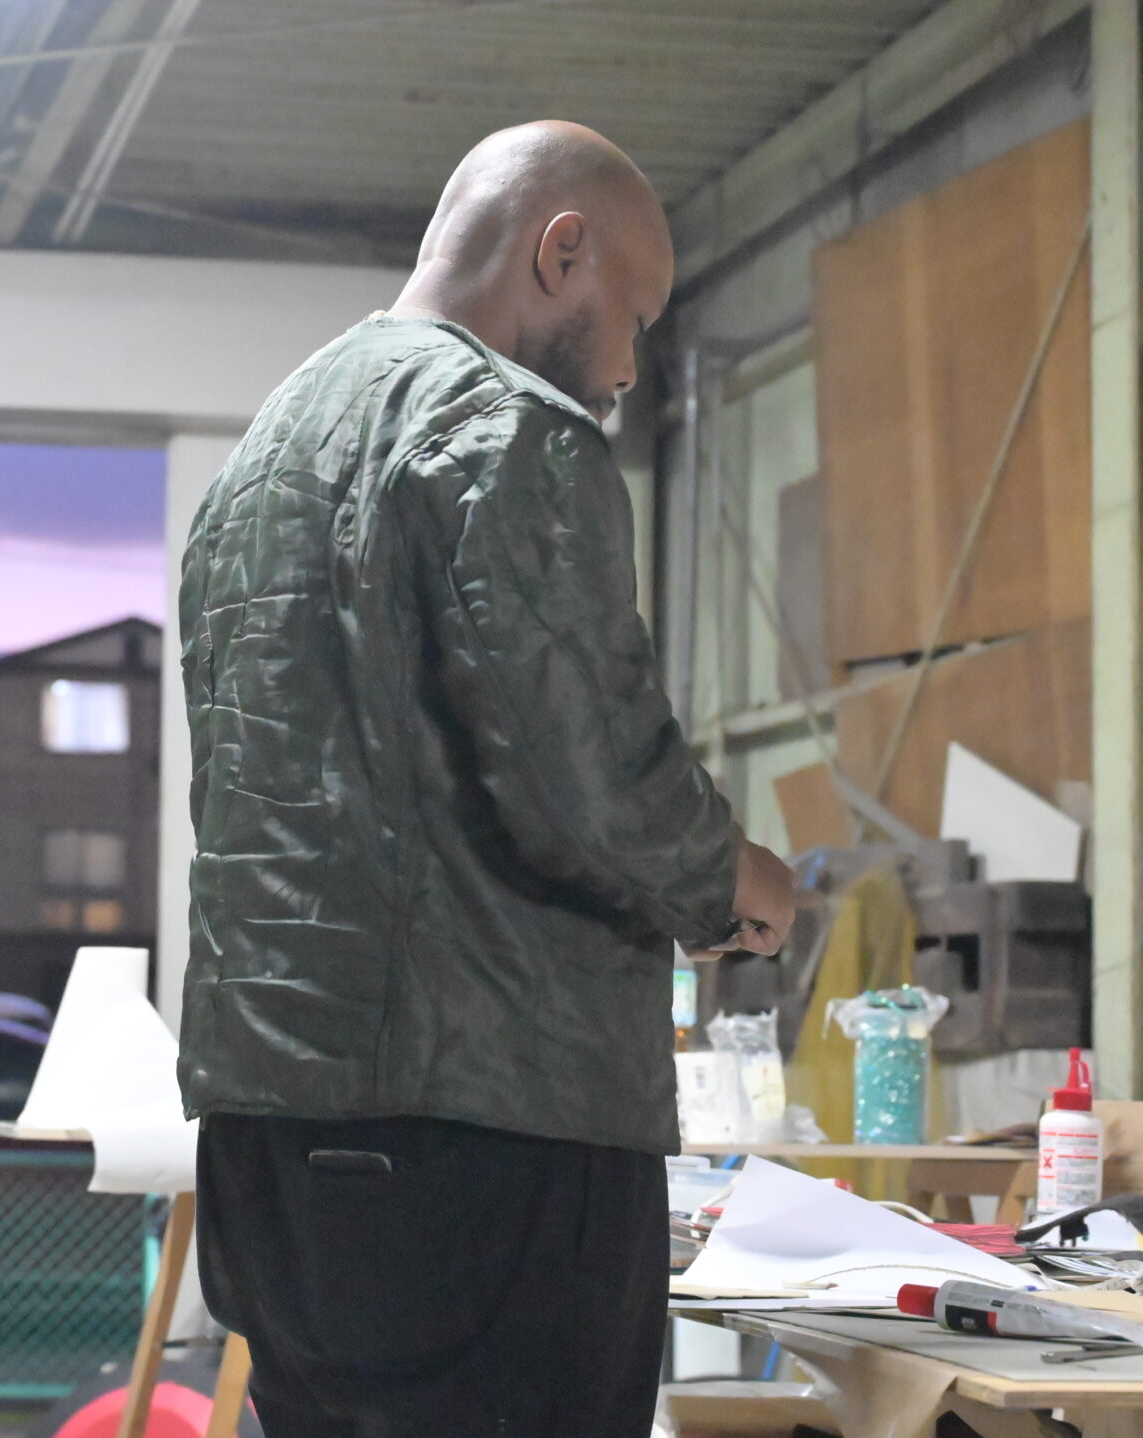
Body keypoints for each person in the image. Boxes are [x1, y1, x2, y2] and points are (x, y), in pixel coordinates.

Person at [176, 120, 801, 1438]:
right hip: (486, 1141)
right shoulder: (506, 431)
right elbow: (588, 775)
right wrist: (729, 878)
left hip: (265, 1138)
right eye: (634, 317)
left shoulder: (261, 463)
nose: (627, 369)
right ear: (559, 252)